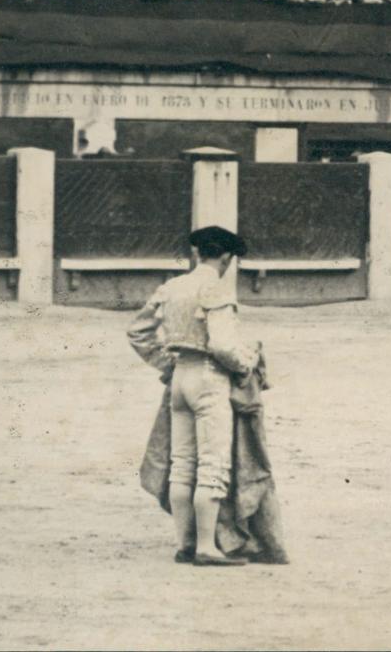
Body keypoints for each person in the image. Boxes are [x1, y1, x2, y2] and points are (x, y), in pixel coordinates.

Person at [127, 226, 260, 566]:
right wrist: (246, 364)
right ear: (227, 258)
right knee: (212, 465)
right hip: (208, 378)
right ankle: (206, 547)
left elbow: (138, 332)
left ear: (197, 253)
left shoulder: (172, 286)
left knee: (182, 465)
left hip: (179, 379)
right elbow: (221, 345)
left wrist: (166, 365)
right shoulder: (215, 288)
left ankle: (184, 543)